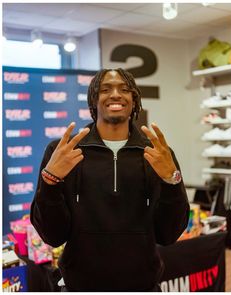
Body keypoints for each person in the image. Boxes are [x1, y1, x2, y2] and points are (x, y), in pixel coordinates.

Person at [30, 68, 190, 292]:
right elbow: (52, 236)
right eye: (105, 89)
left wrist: (171, 182)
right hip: (79, 286)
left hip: (142, 285)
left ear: (134, 100)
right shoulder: (64, 151)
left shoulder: (157, 153)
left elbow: (168, 234)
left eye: (124, 89)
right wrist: (50, 182)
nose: (115, 94)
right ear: (93, 100)